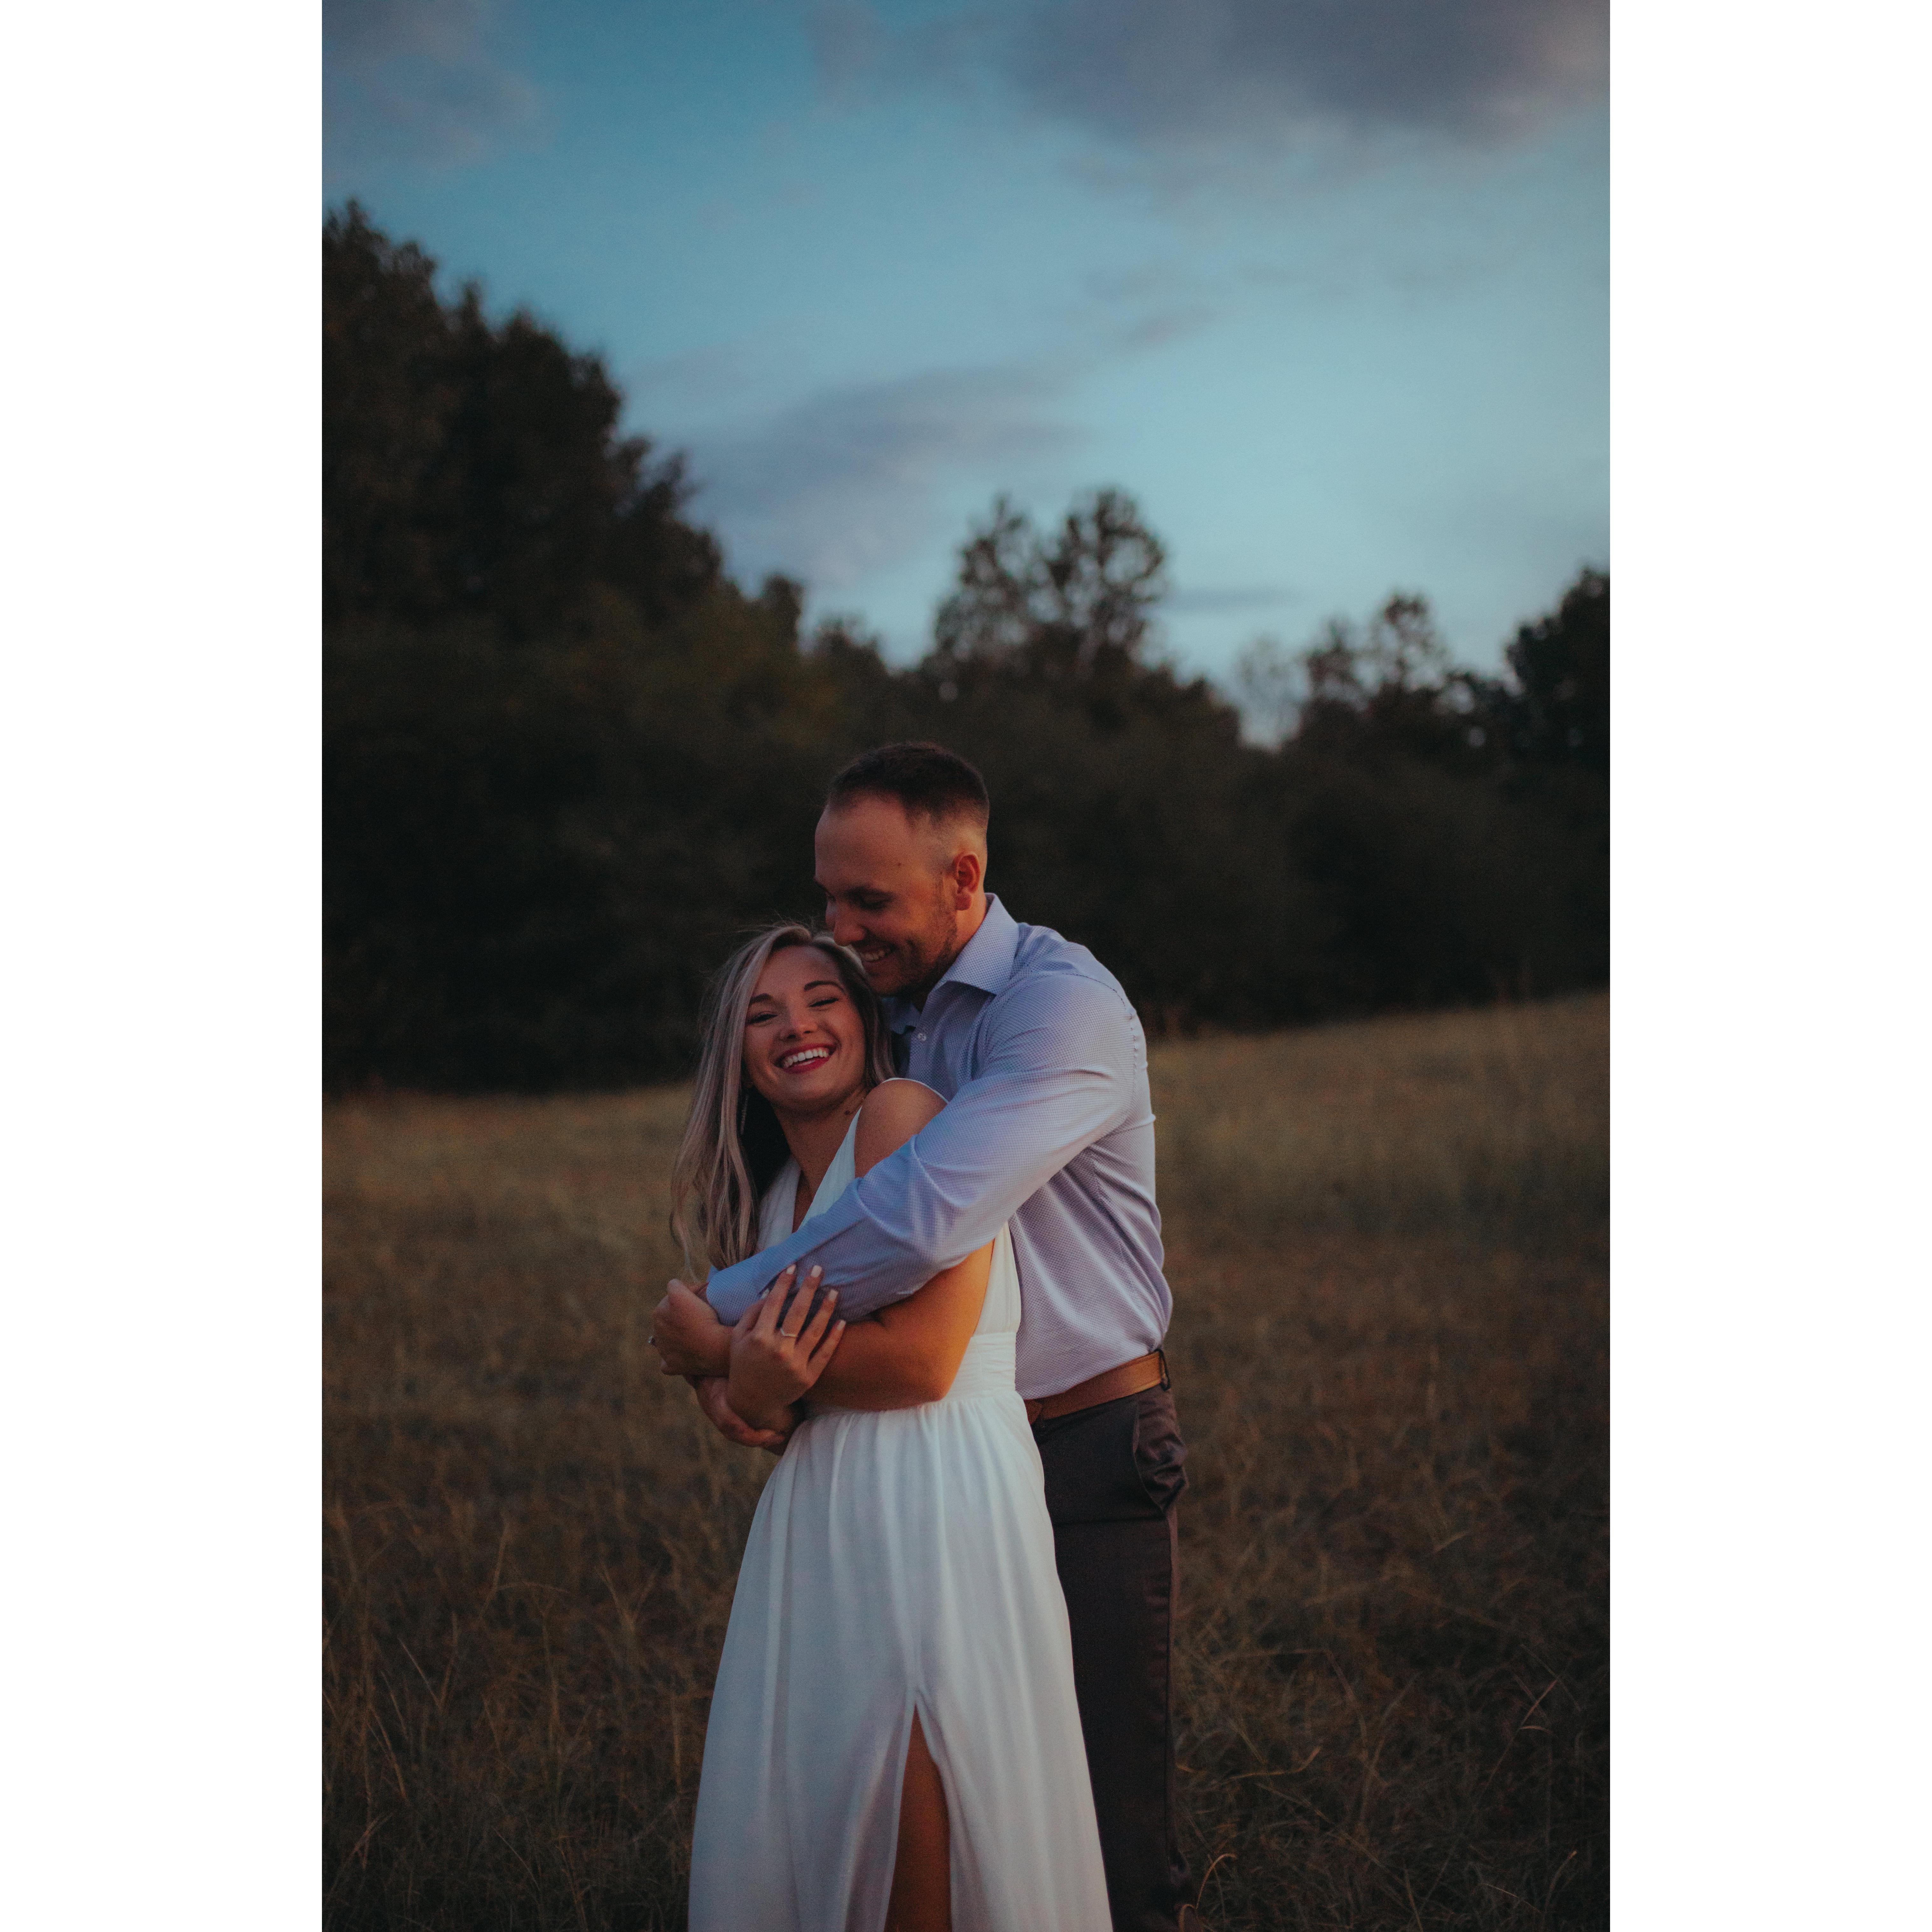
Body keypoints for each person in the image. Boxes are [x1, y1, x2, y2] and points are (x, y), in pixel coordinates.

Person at [653, 742, 1198, 1932]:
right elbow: (835, 1248)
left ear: (963, 878)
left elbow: (919, 1215)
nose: (840, 930)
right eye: (828, 895)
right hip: (941, 1465)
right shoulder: (879, 1004)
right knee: (936, 1803)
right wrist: (754, 1375)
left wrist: (726, 1313)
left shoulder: (1061, 1006)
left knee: (1101, 1830)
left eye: (869, 901)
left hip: (1087, 1434)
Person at [673, 921, 1112, 1932]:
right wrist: (744, 1382)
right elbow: (759, 1414)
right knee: (829, 1819)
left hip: (940, 1498)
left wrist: (725, 1360)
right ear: (734, 1055)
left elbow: (922, 1362)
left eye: (822, 999)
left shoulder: (905, 1115)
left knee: (925, 1815)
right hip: (820, 1525)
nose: (797, 1027)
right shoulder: (770, 1196)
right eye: (762, 1013)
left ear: (865, 1020)